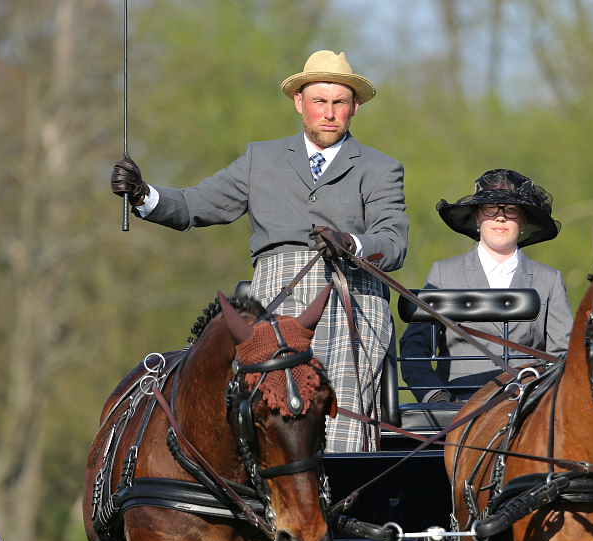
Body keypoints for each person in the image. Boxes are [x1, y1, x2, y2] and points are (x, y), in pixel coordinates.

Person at [110, 50, 409, 452]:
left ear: (354, 107)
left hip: (350, 294)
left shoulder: (380, 168)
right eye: (319, 101)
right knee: (269, 402)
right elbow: (197, 203)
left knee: (341, 401)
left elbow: (393, 241)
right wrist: (144, 195)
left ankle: (334, 502)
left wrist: (351, 243)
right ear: (299, 102)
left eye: (339, 102)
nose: (329, 112)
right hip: (275, 293)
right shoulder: (260, 159)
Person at [398, 169, 572, 402]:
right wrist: (435, 395)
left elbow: (563, 354)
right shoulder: (443, 273)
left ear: (524, 221)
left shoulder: (549, 280)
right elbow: (414, 346)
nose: (500, 217)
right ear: (477, 217)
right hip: (458, 405)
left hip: (527, 405)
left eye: (511, 210)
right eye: (490, 208)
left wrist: (540, 396)